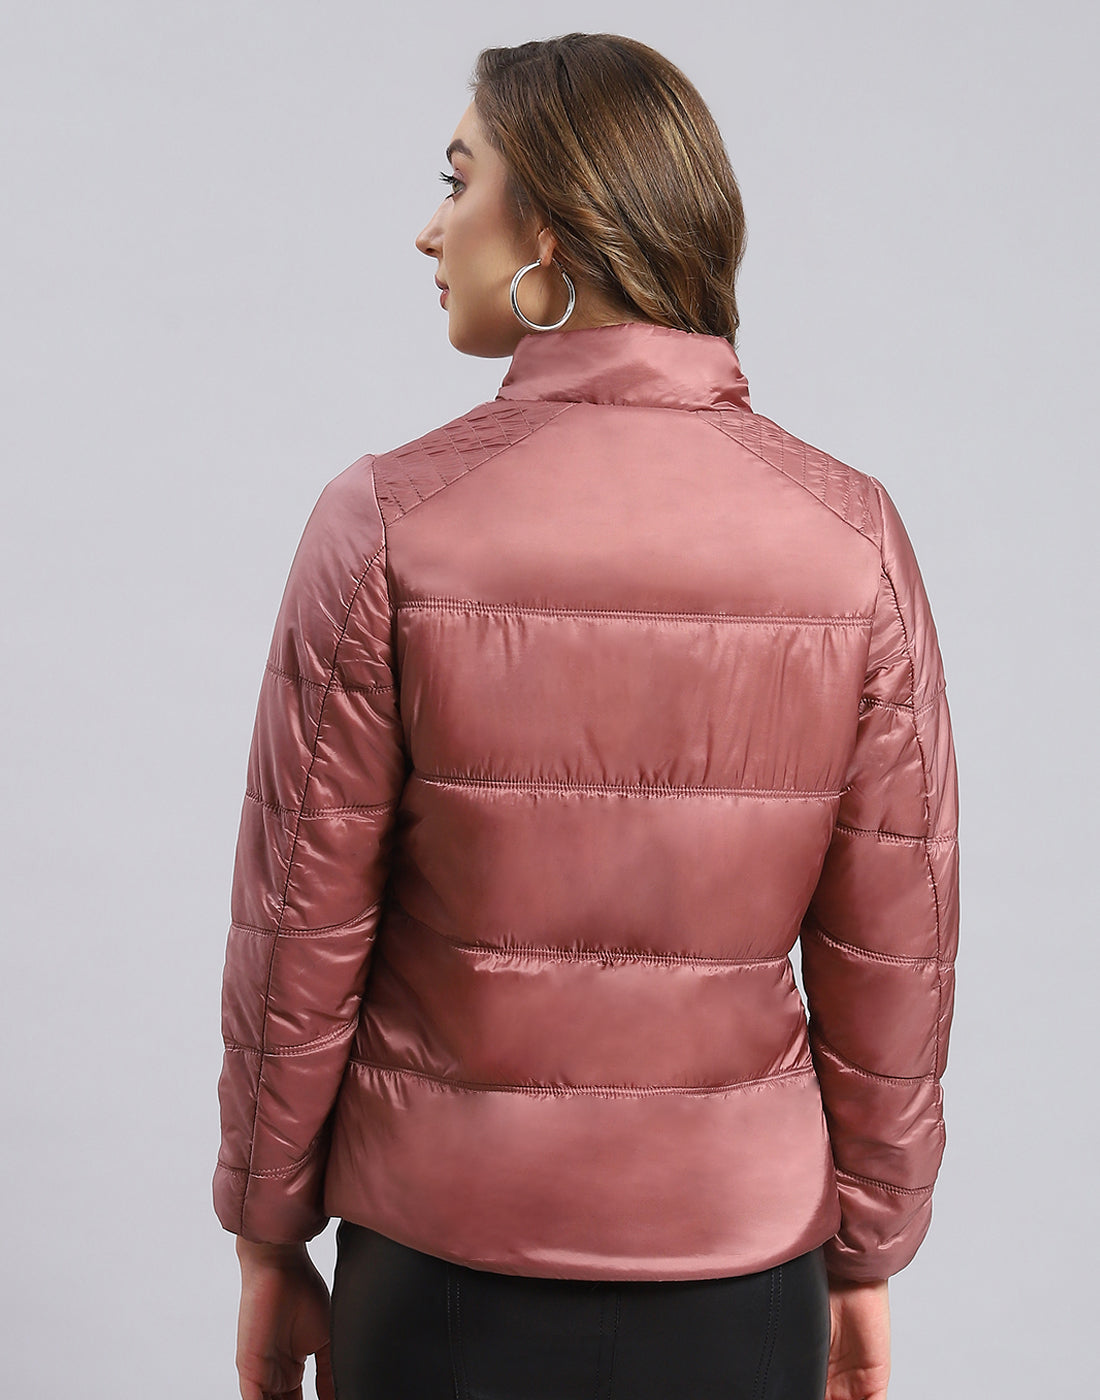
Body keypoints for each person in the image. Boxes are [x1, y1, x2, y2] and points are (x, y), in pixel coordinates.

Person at [214, 32, 958, 1400]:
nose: (430, 228)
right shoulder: (851, 540)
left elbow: (298, 935)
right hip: (742, 1278)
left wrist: (269, 1233)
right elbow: (891, 955)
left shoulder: (385, 524)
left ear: (550, 228)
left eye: (459, 181)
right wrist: (868, 1255)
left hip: (436, 1273)